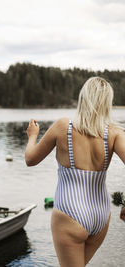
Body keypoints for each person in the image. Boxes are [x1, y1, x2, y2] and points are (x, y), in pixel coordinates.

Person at [25, 76, 125, 267]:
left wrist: (32, 136)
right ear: (107, 103)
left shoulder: (63, 126)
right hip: (101, 215)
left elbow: (30, 159)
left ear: (83, 98)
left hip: (69, 212)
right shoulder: (114, 133)